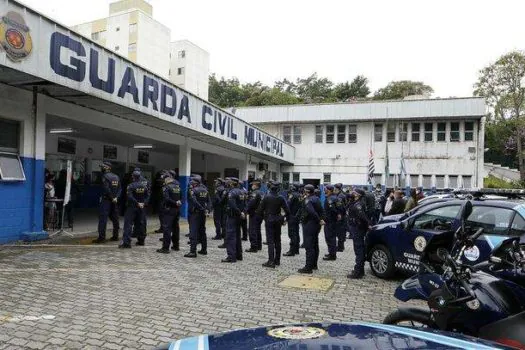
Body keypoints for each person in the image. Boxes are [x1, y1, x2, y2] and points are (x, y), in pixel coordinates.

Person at [257, 181, 290, 268]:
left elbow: (260, 210)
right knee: (278, 240)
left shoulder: (266, 197)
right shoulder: (281, 198)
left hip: (269, 219)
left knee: (270, 241)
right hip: (278, 220)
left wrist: (264, 217)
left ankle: (271, 261)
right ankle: (277, 260)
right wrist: (283, 218)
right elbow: (287, 211)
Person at [119, 170, 150, 248]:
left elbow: (130, 196)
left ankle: (126, 243)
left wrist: (137, 203)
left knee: (128, 224)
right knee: (141, 223)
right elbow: (148, 196)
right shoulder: (144, 186)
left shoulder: (131, 186)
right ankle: (141, 241)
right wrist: (143, 203)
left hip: (132, 207)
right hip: (141, 207)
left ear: (133, 177)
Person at [298, 184, 324, 274]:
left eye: (304, 190)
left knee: (309, 246)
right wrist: (320, 220)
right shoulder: (317, 198)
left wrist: (319, 220)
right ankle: (314, 265)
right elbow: (321, 210)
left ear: (307, 191)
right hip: (315, 225)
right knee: (315, 245)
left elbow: (311, 211)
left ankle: (308, 267)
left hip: (309, 224)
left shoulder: (308, 200)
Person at [93, 162, 121, 243]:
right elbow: (120, 189)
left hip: (106, 200)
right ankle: (115, 236)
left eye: (103, 167)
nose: (101, 168)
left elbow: (106, 188)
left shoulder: (105, 176)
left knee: (103, 219)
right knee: (115, 219)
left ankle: (101, 238)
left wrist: (112, 197)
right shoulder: (116, 176)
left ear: (107, 168)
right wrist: (116, 198)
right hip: (114, 201)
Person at [347, 189, 372, 279]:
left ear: (358, 195)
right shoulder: (356, 202)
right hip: (356, 228)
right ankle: (360, 270)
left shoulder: (359, 204)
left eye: (354, 193)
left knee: (359, 250)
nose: (352, 194)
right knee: (358, 249)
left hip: (358, 229)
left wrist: (368, 224)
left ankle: (358, 272)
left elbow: (362, 216)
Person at [185, 175, 210, 258]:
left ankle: (192, 252)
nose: (191, 183)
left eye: (192, 181)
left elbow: (194, 201)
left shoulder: (193, 190)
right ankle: (204, 250)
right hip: (202, 214)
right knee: (202, 231)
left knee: (193, 232)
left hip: (195, 214)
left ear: (195, 182)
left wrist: (201, 208)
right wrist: (207, 210)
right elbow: (209, 202)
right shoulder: (205, 190)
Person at [157, 171, 182, 253]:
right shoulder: (177, 187)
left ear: (167, 179)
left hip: (169, 210)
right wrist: (177, 203)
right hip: (177, 210)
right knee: (175, 228)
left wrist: (174, 203)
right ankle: (176, 246)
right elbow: (181, 197)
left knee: (167, 229)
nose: (164, 180)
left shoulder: (166, 187)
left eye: (164, 179)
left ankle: (165, 248)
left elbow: (166, 199)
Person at [222, 178, 243, 263]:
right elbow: (244, 204)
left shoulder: (231, 192)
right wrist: (242, 213)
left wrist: (238, 212)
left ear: (231, 184)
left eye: (229, 182)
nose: (227, 183)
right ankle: (239, 255)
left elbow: (233, 205)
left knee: (230, 237)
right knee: (237, 236)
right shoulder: (241, 191)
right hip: (239, 217)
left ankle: (231, 257)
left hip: (232, 216)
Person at [323, 185, 342, 261]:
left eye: (326, 189)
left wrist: (335, 215)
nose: (324, 190)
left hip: (330, 221)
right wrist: (339, 214)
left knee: (330, 238)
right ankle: (331, 253)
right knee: (332, 237)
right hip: (333, 221)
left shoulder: (330, 199)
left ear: (329, 190)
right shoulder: (336, 198)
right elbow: (341, 208)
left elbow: (333, 209)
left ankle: (332, 255)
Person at [245, 179, 263, 253]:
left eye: (253, 185)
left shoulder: (255, 193)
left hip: (254, 214)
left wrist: (245, 211)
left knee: (252, 230)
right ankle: (259, 245)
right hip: (260, 214)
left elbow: (251, 203)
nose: (252, 186)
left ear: (256, 186)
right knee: (258, 230)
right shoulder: (261, 193)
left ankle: (254, 247)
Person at [284, 182, 301, 257]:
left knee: (292, 234)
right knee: (296, 233)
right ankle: (296, 249)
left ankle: (292, 251)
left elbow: (288, 205)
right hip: (297, 217)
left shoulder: (292, 195)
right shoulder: (300, 195)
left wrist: (285, 215)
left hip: (292, 217)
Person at [334, 183, 347, 252]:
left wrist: (339, 214)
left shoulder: (340, 197)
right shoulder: (341, 194)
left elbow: (340, 207)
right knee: (341, 231)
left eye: (335, 189)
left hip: (341, 217)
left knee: (340, 232)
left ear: (337, 189)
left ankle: (340, 247)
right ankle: (341, 246)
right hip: (342, 216)